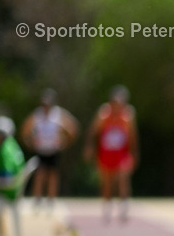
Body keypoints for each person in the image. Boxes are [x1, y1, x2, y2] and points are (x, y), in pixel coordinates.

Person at [84, 86, 139, 222]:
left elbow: (133, 136)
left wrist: (135, 153)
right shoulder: (104, 114)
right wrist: (89, 147)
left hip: (121, 154)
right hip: (106, 153)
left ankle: (124, 205)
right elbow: (93, 131)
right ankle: (107, 206)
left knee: (122, 178)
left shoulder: (128, 116)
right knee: (107, 182)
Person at [19, 88, 78, 209]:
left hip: (53, 149)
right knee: (40, 174)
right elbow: (25, 129)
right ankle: (38, 198)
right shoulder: (37, 114)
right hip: (41, 149)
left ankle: (51, 199)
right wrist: (30, 142)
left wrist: (65, 141)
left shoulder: (58, 114)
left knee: (53, 175)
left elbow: (73, 127)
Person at [0, 116, 26, 201]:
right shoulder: (9, 145)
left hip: (5, 193)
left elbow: (8, 180)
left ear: (1, 135)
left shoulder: (4, 152)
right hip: (10, 191)